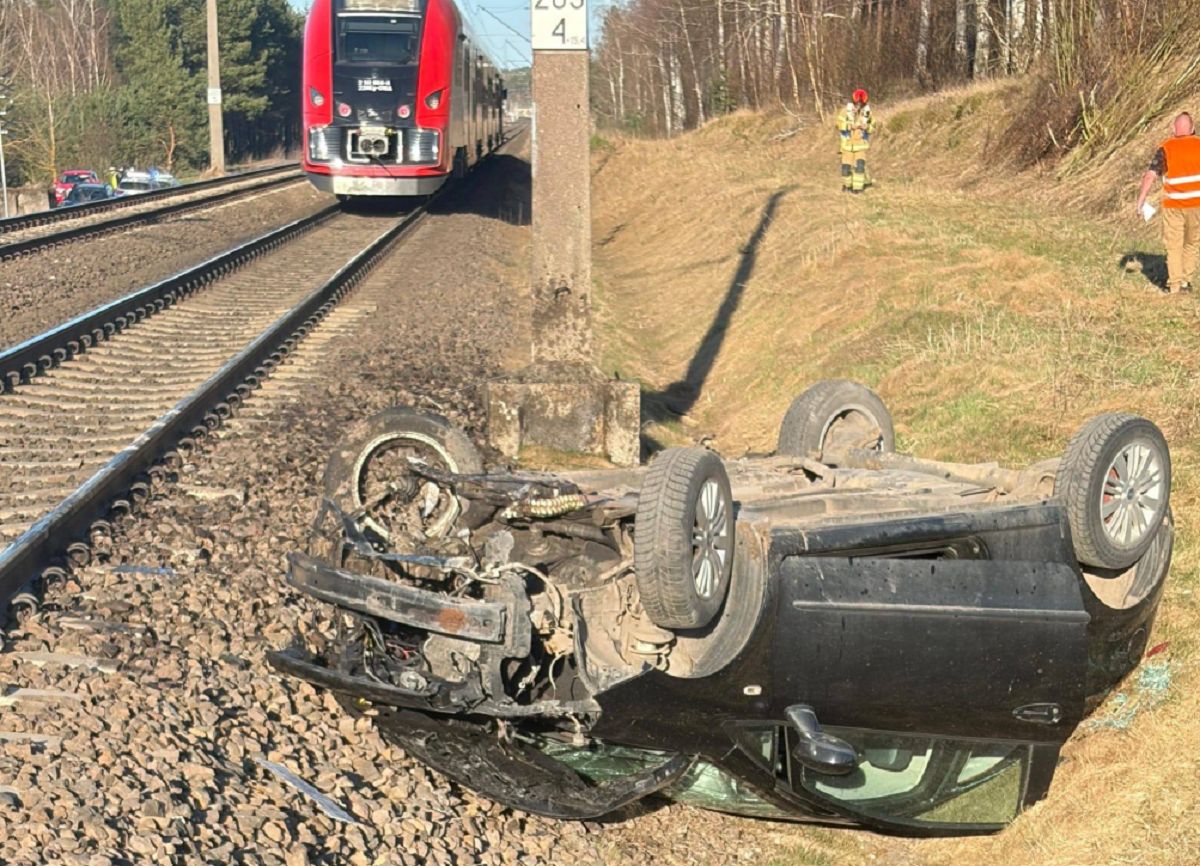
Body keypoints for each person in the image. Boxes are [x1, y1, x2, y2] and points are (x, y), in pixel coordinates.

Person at [1135, 112, 1200, 294]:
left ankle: (1175, 286)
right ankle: (1186, 282)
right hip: (1197, 205)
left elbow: (1151, 175)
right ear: (1192, 129)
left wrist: (1140, 201)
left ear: (1173, 129)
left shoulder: (1166, 148)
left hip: (1174, 206)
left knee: (1174, 246)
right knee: (1191, 244)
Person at [836, 89, 877, 194]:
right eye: (857, 103)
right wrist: (850, 126)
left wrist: (867, 127)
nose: (858, 105)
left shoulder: (867, 113)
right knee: (846, 169)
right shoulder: (845, 112)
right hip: (847, 146)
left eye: (861, 103)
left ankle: (858, 189)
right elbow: (838, 125)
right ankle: (847, 186)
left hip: (861, 146)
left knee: (860, 166)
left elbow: (873, 127)